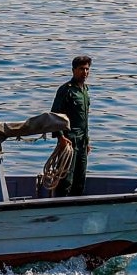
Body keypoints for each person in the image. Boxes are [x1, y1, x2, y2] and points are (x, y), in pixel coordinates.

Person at [51, 55, 93, 197]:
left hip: (82, 142)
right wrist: (61, 138)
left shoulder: (85, 91)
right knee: (65, 180)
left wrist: (87, 141)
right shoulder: (66, 90)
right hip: (69, 141)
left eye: (87, 69)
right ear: (73, 70)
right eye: (81, 69)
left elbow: (84, 120)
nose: (85, 72)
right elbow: (54, 117)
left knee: (80, 180)